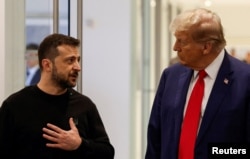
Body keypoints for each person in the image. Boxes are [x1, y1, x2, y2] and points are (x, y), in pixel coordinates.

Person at [145, 8, 250, 159]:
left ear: (206, 47)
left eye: (182, 41)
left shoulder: (245, 80)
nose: (175, 47)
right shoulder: (171, 76)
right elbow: (155, 137)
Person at [0, 33, 115, 159]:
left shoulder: (84, 105)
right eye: (70, 60)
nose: (78, 67)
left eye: (78, 60)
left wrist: (80, 144)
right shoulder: (15, 106)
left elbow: (107, 152)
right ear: (47, 65)